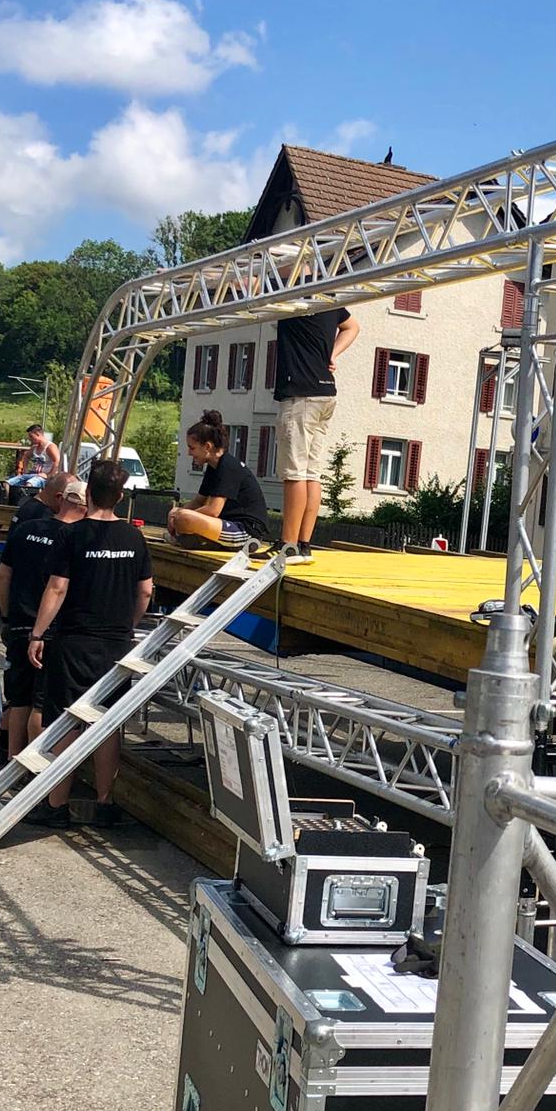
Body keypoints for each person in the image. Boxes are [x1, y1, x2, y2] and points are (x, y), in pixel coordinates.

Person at [26, 457, 154, 829]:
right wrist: (127, 624)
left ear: (89, 495)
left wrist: (37, 634)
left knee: (65, 721)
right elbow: (145, 591)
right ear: (120, 496)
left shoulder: (72, 535)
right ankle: (104, 803)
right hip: (116, 644)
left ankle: (56, 804)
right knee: (106, 724)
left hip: (74, 641)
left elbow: (57, 587)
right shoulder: (134, 537)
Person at [0, 472, 86, 759]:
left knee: (19, 699)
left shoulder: (25, 529)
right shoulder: (76, 539)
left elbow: (3, 576)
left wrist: (7, 617)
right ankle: (36, 768)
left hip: (19, 623)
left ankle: (11, 760)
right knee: (41, 704)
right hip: (50, 629)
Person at [273, 304, 359, 558]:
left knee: (295, 473)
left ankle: (287, 544)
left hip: (300, 395)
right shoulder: (328, 299)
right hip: (325, 393)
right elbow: (353, 326)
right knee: (312, 472)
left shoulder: (294, 296)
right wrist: (332, 354)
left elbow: (250, 286)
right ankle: (303, 543)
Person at [166, 409, 269, 549]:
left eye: (192, 448)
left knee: (183, 517)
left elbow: (213, 510)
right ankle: (194, 540)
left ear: (207, 447)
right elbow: (198, 501)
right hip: (228, 523)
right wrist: (175, 514)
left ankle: (190, 540)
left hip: (246, 531)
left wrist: (181, 517)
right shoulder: (213, 467)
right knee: (177, 514)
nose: (189, 453)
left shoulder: (227, 466)